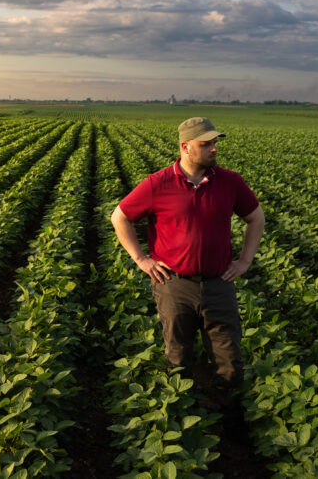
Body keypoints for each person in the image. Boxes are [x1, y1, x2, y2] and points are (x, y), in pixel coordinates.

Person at [110, 116, 264, 444]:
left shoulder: (229, 182)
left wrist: (245, 260)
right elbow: (120, 216)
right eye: (206, 143)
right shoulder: (158, 183)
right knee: (178, 355)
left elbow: (255, 217)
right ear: (185, 147)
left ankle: (230, 421)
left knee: (228, 357)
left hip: (218, 283)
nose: (214, 148)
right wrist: (141, 259)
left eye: (214, 142)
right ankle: (181, 422)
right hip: (174, 285)